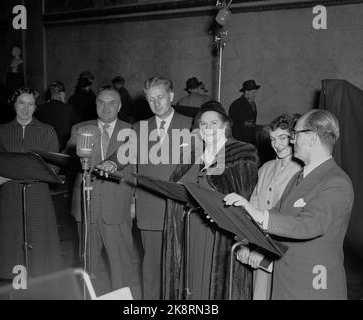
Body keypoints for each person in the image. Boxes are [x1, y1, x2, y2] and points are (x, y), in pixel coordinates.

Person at [224, 109, 354, 300]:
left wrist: (257, 214)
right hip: (286, 283)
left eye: (296, 134)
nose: (292, 140)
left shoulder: (336, 181)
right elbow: (275, 214)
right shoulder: (298, 177)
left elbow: (309, 225)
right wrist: (229, 214)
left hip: (313, 287)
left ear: (312, 137)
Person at [99, 76, 192, 299]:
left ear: (171, 96)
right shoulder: (140, 127)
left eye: (160, 97)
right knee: (151, 268)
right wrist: (112, 162)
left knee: (182, 268)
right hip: (150, 208)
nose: (156, 103)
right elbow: (123, 153)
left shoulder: (191, 125)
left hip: (182, 208)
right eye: (151, 99)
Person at [162, 101, 259, 300]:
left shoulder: (241, 152)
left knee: (214, 286)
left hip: (221, 233)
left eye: (214, 123)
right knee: (192, 282)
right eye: (203, 124)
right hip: (191, 229)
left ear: (225, 126)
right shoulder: (193, 155)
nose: (208, 128)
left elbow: (246, 196)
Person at [64, 87, 138, 297]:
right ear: (95, 104)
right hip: (86, 206)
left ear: (120, 106)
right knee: (87, 264)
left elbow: (135, 168)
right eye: (101, 102)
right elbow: (69, 161)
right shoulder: (80, 128)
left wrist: (134, 202)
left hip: (118, 206)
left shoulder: (132, 131)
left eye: (111, 102)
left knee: (121, 265)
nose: (105, 107)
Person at [0, 87, 62, 279]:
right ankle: (18, 288)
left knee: (38, 239)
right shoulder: (1, 131)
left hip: (37, 194)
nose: (25, 108)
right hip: (10, 195)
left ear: (35, 107)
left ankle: (39, 288)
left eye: (30, 104)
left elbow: (54, 168)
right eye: (21, 103)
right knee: (13, 241)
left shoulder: (47, 131)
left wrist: (17, 174)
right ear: (14, 104)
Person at [236, 114, 302, 300]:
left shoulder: (301, 171)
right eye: (273, 139)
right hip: (260, 249)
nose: (277, 144)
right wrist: (245, 242)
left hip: (283, 252)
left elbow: (290, 217)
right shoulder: (265, 167)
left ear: (294, 137)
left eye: (283, 138)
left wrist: (263, 250)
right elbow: (252, 207)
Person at [35, 81, 78, 151]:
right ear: (62, 93)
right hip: (62, 148)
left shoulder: (40, 108)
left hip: (43, 147)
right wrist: (63, 101)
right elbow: (77, 127)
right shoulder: (68, 109)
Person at [228, 79, 260, 145]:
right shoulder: (236, 105)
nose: (255, 94)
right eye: (253, 92)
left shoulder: (253, 103)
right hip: (240, 141)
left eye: (255, 92)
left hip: (251, 140)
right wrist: (245, 123)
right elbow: (232, 122)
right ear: (246, 92)